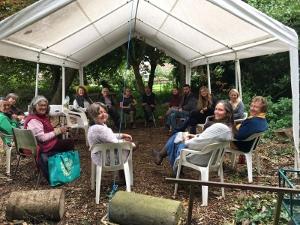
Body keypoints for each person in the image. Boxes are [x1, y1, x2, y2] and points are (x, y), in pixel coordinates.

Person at [153, 100, 233, 171]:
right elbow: (207, 139)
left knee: (177, 138)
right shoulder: (226, 128)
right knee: (179, 135)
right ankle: (161, 156)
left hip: (201, 157)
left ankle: (173, 166)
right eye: (216, 109)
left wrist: (185, 139)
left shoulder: (219, 127)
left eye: (220, 110)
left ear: (227, 113)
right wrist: (194, 136)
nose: (216, 112)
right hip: (210, 156)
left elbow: (194, 144)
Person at [24, 96, 74, 181]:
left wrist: (60, 130)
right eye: (40, 105)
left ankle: (60, 165)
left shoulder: (38, 117)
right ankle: (68, 168)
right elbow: (42, 138)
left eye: (45, 105)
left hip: (43, 144)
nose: (43, 107)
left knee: (63, 140)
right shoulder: (34, 120)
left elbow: (45, 132)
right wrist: (58, 131)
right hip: (42, 146)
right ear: (34, 106)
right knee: (69, 142)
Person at [87, 102, 134, 182]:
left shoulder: (94, 127)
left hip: (99, 156)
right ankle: (123, 176)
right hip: (107, 159)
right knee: (132, 146)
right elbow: (114, 142)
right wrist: (129, 144)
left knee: (128, 146)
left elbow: (109, 136)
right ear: (93, 116)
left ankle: (122, 175)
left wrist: (122, 135)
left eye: (105, 112)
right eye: (100, 113)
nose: (104, 114)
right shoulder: (100, 129)